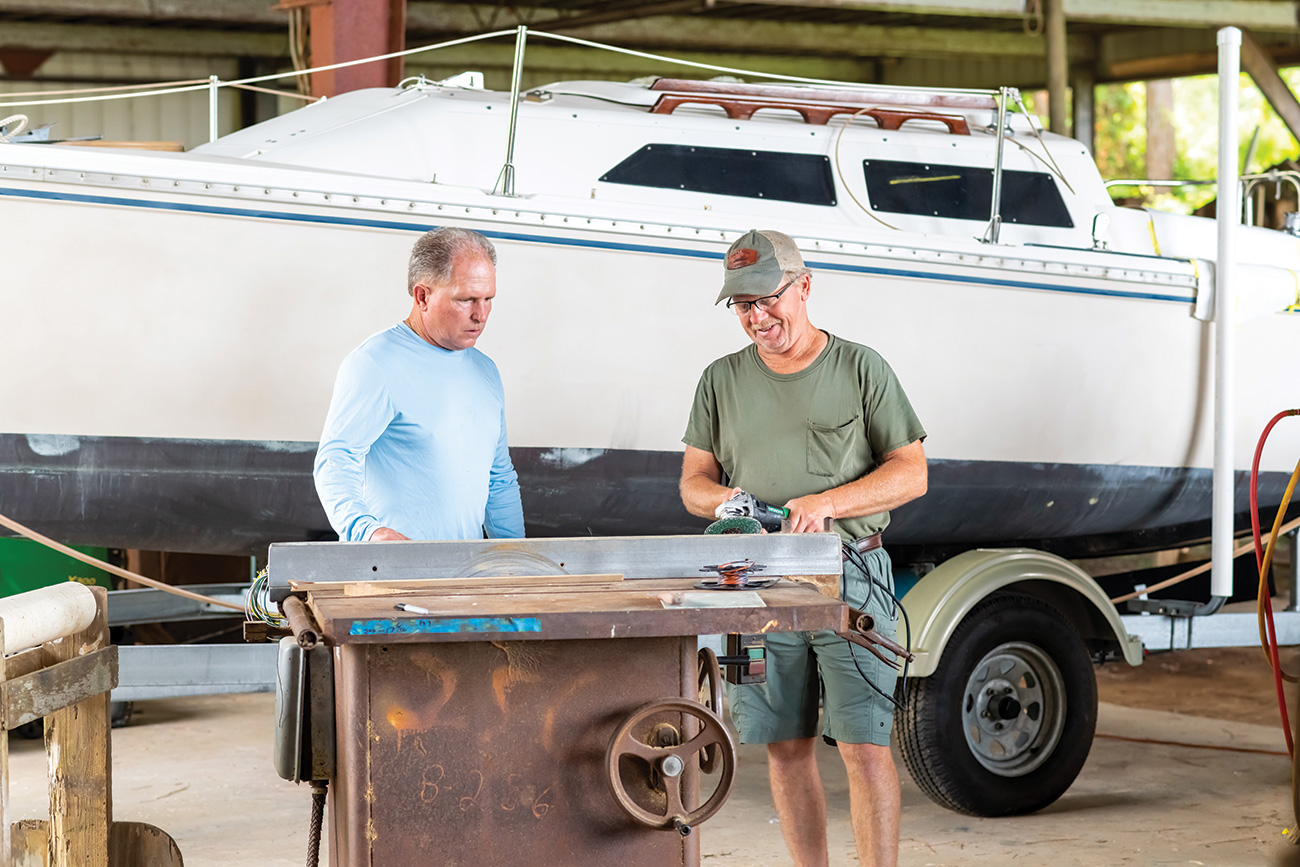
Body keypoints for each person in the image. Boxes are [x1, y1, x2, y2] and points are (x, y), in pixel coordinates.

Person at [680, 229, 927, 867]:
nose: (758, 318)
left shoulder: (861, 367)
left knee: (865, 747)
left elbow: (912, 473)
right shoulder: (718, 380)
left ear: (805, 286)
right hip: (752, 582)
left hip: (852, 576)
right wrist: (724, 502)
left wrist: (828, 502)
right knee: (782, 746)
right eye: (742, 307)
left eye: (768, 300)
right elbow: (692, 485)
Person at [314, 227, 524, 542]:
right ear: (422, 296)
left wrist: (517, 561)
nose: (481, 315)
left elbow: (499, 480)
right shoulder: (374, 365)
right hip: (392, 576)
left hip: (463, 578)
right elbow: (336, 461)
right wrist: (368, 532)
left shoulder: (486, 372)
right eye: (466, 300)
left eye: (488, 299)